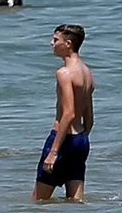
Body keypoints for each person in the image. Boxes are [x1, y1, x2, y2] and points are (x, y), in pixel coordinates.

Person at [33, 24, 93, 201]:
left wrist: (53, 152)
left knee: (38, 203)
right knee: (75, 202)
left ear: (68, 43)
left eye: (55, 40)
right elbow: (89, 117)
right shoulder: (87, 73)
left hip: (63, 140)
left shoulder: (64, 73)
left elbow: (68, 113)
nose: (51, 43)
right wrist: (81, 140)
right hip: (81, 140)